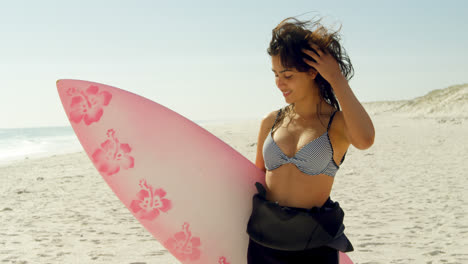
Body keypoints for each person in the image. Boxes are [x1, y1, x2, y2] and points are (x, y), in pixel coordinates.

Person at [246, 16, 375, 263]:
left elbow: (366, 139)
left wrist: (336, 78)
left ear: (313, 72)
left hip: (313, 246)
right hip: (264, 242)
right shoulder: (271, 121)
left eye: (288, 75)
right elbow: (255, 177)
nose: (279, 83)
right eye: (275, 74)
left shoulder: (337, 124)